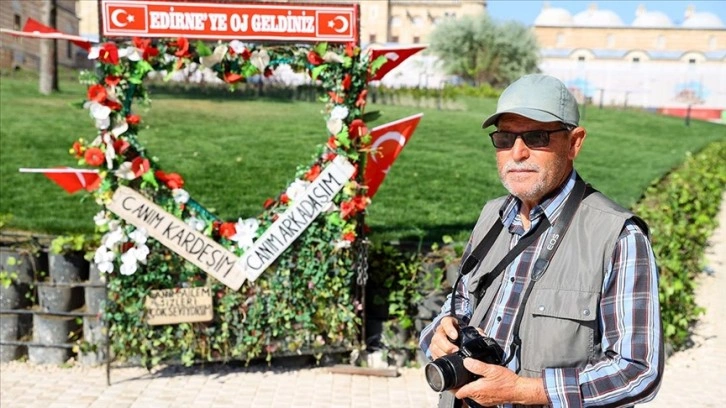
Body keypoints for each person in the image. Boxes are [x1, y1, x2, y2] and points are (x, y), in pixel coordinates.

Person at [419, 74, 663, 408]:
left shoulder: (618, 236)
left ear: (574, 142)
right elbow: (458, 304)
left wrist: (526, 391)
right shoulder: (492, 216)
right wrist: (437, 336)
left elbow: (637, 372)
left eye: (536, 137)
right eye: (505, 138)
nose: (516, 153)